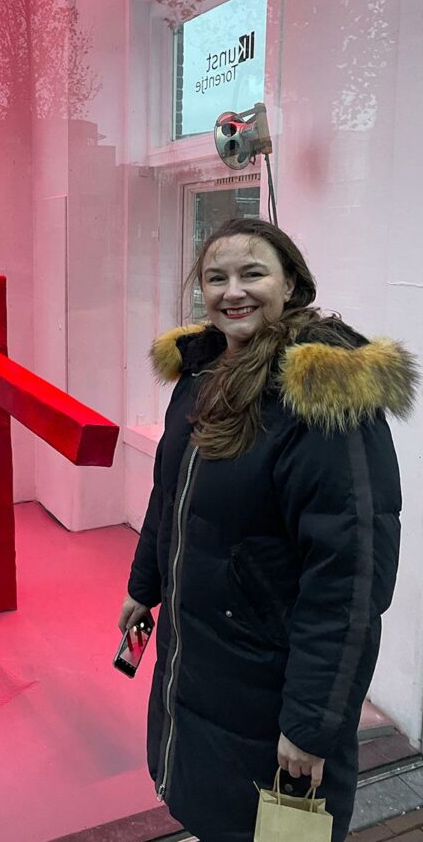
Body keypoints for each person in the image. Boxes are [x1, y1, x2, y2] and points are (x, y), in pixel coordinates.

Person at [119, 217, 418, 842]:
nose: (234, 291)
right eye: (216, 277)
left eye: (253, 273)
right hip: (201, 657)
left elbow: (350, 582)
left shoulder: (322, 397)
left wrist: (311, 723)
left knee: (272, 827)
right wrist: (143, 583)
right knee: (216, 813)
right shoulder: (200, 371)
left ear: (291, 285)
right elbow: (170, 494)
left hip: (270, 678)